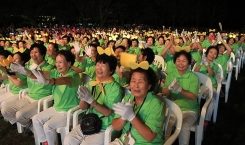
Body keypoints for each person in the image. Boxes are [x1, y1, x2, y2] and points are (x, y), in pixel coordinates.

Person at [64, 51, 123, 145]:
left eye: (103, 65)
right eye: (98, 64)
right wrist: (83, 98)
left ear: (111, 70)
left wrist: (91, 100)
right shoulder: (91, 83)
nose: (99, 68)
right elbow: (83, 107)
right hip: (89, 122)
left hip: (104, 127)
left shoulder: (115, 88)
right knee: (68, 139)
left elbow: (108, 112)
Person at [32, 50, 81, 145]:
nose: (58, 64)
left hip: (69, 111)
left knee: (47, 126)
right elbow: (41, 74)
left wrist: (49, 81)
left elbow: (64, 80)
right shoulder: (56, 72)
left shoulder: (73, 75)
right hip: (57, 108)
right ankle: (45, 142)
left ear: (69, 63)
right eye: (57, 62)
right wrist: (26, 71)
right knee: (36, 119)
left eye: (60, 62)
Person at [109, 61, 164, 145]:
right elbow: (116, 127)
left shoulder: (156, 104)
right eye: (133, 81)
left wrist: (131, 117)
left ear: (149, 86)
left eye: (140, 81)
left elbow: (150, 137)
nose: (136, 85)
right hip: (124, 141)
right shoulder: (127, 98)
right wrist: (123, 117)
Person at [1, 43, 54, 130]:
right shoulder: (29, 66)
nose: (33, 54)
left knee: (20, 115)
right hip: (29, 96)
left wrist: (27, 71)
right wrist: (3, 67)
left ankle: (28, 125)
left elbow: (37, 75)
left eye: (36, 52)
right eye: (32, 52)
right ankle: (29, 126)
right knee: (5, 110)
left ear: (43, 54)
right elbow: (15, 76)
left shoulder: (49, 67)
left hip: (41, 99)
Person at [162, 50, 199, 145]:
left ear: (189, 62)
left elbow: (192, 96)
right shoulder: (171, 75)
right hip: (173, 109)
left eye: (184, 60)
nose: (181, 63)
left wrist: (180, 90)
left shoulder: (193, 77)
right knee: (167, 123)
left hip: (189, 110)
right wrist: (169, 88)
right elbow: (164, 93)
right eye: (178, 60)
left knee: (184, 126)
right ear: (175, 62)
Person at [194, 46, 219, 127]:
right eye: (211, 52)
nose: (212, 55)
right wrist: (201, 63)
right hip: (199, 86)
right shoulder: (199, 62)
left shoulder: (215, 65)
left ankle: (206, 119)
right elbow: (195, 72)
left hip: (211, 87)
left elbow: (212, 74)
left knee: (212, 97)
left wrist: (207, 65)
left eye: (215, 54)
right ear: (207, 53)